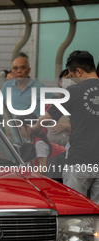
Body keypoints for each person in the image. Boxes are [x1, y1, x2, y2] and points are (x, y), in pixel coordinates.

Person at [32, 50, 99, 204]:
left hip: (80, 161)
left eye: (72, 76)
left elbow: (47, 119)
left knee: (75, 211)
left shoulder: (73, 92)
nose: (73, 80)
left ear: (79, 71)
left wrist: (34, 127)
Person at [2, 52, 47, 117]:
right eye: (15, 68)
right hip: (13, 126)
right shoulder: (6, 86)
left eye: (22, 68)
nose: (19, 71)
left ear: (28, 70)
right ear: (11, 71)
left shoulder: (40, 88)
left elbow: (53, 107)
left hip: (33, 126)